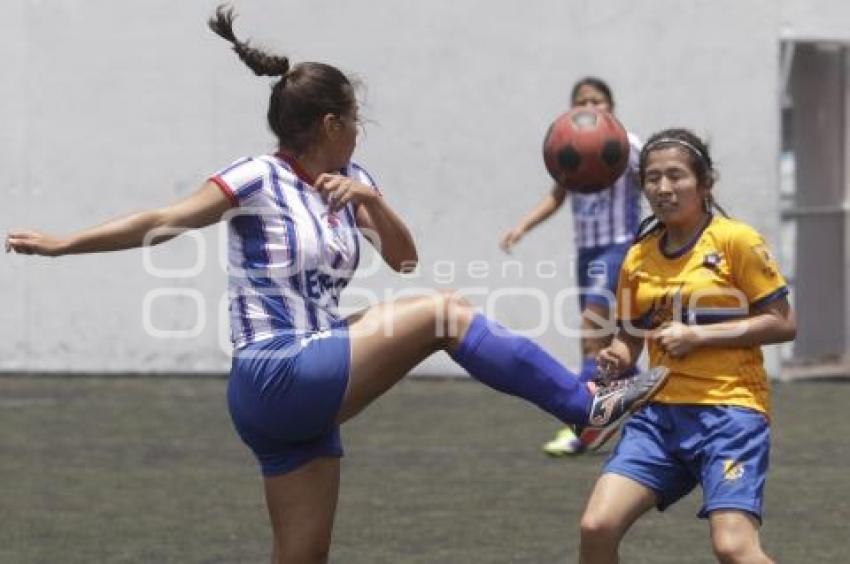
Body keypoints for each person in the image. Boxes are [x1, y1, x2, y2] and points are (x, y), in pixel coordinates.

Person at [5, 7, 669, 563]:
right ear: (331, 125)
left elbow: (405, 260)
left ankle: (584, 404)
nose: (359, 131)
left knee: (303, 557)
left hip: (306, 381)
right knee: (444, 314)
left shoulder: (353, 185)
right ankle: (584, 406)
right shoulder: (258, 176)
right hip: (274, 370)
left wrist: (370, 204)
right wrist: (67, 244)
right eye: (355, 120)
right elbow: (165, 219)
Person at [578, 128, 796, 564]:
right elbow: (629, 339)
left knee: (732, 547)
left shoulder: (737, 240)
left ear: (705, 182)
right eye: (652, 178)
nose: (662, 188)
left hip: (730, 412)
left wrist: (698, 335)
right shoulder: (638, 256)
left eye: (675, 176)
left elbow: (784, 323)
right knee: (596, 527)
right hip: (658, 419)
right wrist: (615, 357)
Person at [500, 77, 643, 456]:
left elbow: (656, 181)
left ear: (611, 107)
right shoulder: (569, 148)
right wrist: (523, 226)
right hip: (587, 252)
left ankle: (583, 423)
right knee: (609, 339)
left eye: (598, 100)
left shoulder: (626, 146)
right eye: (582, 101)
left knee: (591, 332)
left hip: (619, 247)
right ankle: (647, 396)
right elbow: (557, 195)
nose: (591, 106)